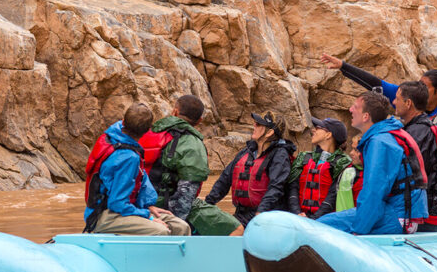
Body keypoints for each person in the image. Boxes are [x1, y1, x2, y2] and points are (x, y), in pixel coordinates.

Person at [321, 54, 437, 171]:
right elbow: (376, 84)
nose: (395, 102)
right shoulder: (409, 98)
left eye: (424, 86)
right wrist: (343, 66)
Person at [316, 92, 428, 235]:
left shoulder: (380, 142)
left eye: (355, 107)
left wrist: (359, 230)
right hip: (401, 212)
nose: (350, 109)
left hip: (397, 215)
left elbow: (373, 192)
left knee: (321, 226)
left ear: (365, 116)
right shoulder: (388, 134)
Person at [139, 95, 244, 236]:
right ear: (200, 121)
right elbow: (186, 194)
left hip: (141, 201)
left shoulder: (149, 132)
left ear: (174, 111)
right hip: (165, 205)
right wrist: (175, 224)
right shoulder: (192, 143)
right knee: (236, 229)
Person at [83, 103, 191, 236]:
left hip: (123, 209)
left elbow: (140, 179)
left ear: (123, 122)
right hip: (105, 216)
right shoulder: (128, 158)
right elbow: (116, 203)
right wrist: (147, 216)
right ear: (147, 131)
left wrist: (148, 205)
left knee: (180, 226)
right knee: (161, 231)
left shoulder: (116, 134)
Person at [205, 111, 296, 226]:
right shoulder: (246, 152)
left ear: (270, 132)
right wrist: (208, 204)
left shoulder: (280, 155)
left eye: (258, 125)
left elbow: (276, 187)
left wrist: (260, 212)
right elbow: (224, 179)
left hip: (267, 217)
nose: (254, 126)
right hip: (241, 214)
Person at [392, 81, 437, 232]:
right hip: (433, 211)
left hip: (422, 215)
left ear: (408, 103)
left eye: (397, 98)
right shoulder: (423, 127)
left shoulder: (416, 134)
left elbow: (406, 174)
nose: (393, 102)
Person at [286, 117, 352, 219]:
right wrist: (297, 213)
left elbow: (333, 195)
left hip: (325, 220)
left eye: (318, 128)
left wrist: (314, 219)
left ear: (328, 135)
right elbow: (293, 187)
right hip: (298, 217)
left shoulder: (342, 162)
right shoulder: (303, 157)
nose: (313, 130)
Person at [334, 135, 363, 212]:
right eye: (352, 149)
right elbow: (343, 207)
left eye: (356, 150)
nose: (351, 153)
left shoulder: (378, 173)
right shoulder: (349, 173)